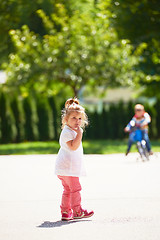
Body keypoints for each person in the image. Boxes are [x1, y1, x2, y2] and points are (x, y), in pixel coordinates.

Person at [55, 97, 94, 221]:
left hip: (65, 167)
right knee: (75, 189)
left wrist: (78, 133)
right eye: (73, 118)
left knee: (68, 189)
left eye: (80, 119)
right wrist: (80, 134)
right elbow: (73, 147)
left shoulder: (72, 130)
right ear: (66, 119)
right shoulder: (67, 132)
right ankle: (77, 211)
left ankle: (66, 212)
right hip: (67, 168)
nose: (77, 121)